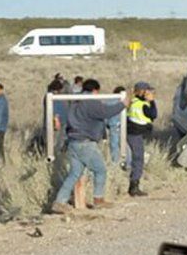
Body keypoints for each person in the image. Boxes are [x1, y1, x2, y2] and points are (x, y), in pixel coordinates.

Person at [51, 79, 128, 214]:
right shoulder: (90, 102)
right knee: (100, 170)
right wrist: (122, 104)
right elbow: (106, 112)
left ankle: (60, 201)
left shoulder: (75, 102)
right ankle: (98, 200)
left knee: (74, 174)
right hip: (85, 143)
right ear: (95, 90)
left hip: (73, 142)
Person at [126, 82, 157, 197]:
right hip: (136, 134)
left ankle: (133, 185)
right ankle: (134, 187)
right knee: (138, 160)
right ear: (142, 92)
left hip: (133, 133)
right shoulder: (142, 104)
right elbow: (153, 114)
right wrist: (152, 102)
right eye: (148, 91)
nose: (150, 94)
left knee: (136, 159)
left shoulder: (133, 101)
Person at [45, 79, 69, 153]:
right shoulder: (52, 97)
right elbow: (54, 109)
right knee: (57, 144)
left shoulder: (55, 96)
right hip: (57, 125)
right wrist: (56, 120)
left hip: (62, 123)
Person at [106, 86, 126, 164]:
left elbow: (105, 113)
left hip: (112, 125)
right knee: (125, 144)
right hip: (123, 126)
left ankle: (115, 161)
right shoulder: (124, 101)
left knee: (114, 144)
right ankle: (125, 161)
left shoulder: (109, 101)